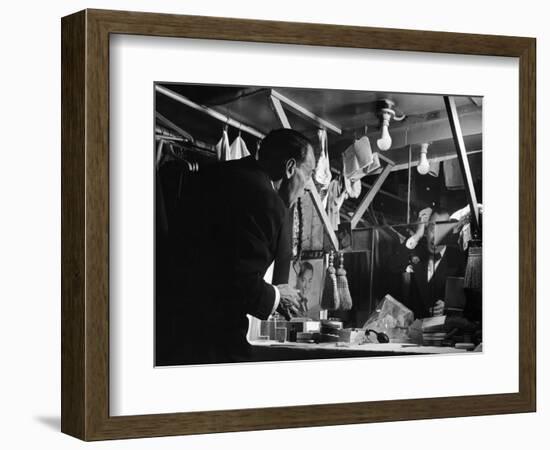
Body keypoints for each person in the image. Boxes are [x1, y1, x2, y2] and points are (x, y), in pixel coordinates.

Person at [156, 129, 317, 365]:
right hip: (207, 341)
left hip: (167, 330)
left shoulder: (218, 173)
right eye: (309, 174)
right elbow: (236, 280)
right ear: (290, 167)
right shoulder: (265, 199)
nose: (308, 186)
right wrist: (276, 296)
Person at [407, 207, 466, 319]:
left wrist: (448, 305)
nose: (435, 236)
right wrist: (417, 235)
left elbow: (468, 300)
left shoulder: (459, 259)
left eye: (442, 230)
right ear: (426, 229)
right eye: (432, 228)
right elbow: (392, 266)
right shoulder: (415, 250)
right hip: (413, 329)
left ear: (450, 232)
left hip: (444, 331)